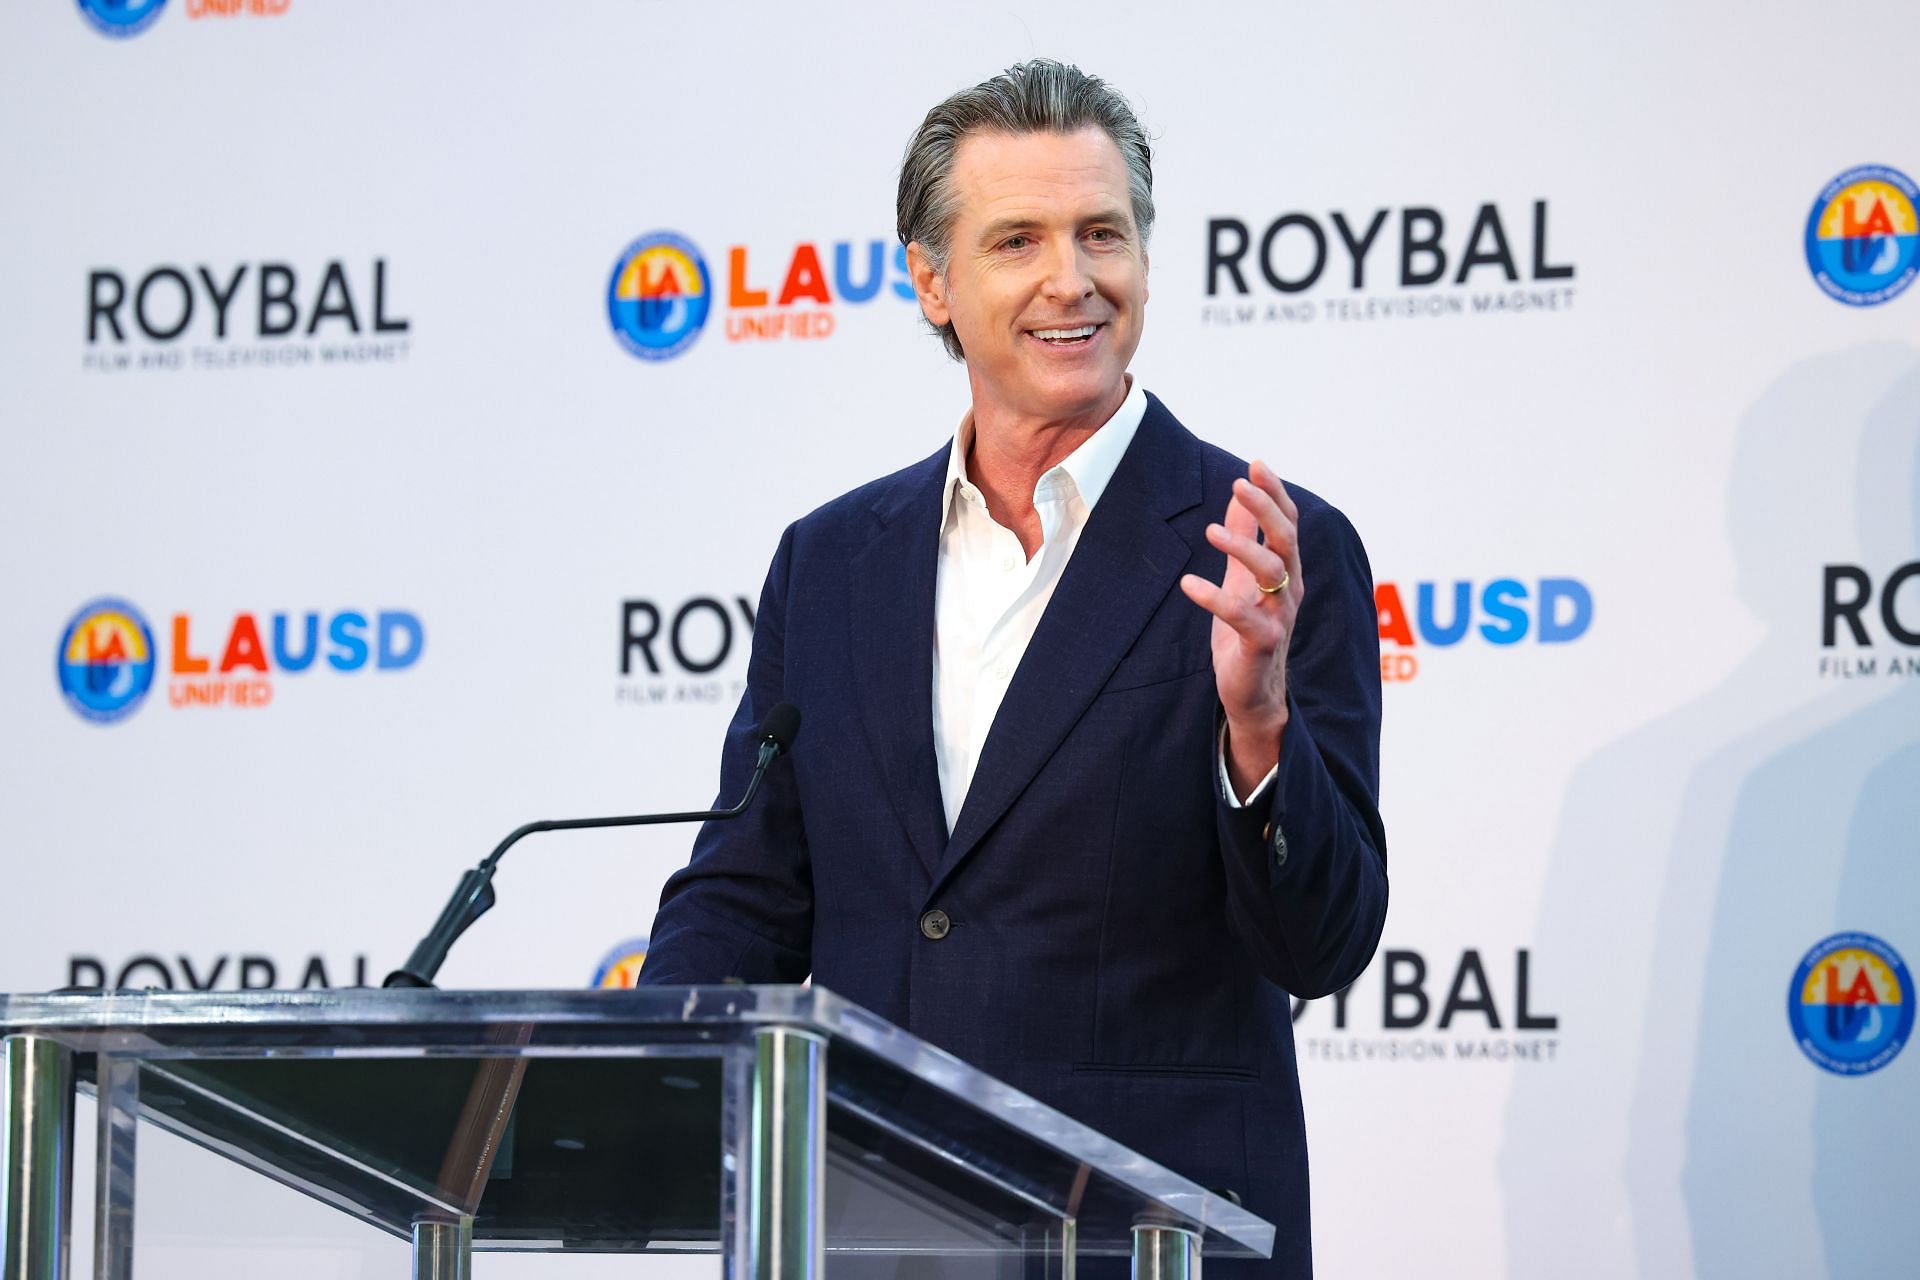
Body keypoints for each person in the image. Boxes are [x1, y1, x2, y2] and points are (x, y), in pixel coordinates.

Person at [640, 59, 1387, 1279]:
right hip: (862, 1228)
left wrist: (1258, 727)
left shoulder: (1265, 542)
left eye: (1103, 233)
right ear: (931, 282)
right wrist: (637, 1071)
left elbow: (1325, 942)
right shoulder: (830, 563)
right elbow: (750, 891)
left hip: (1153, 1242)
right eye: (1018, 241)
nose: (1072, 279)